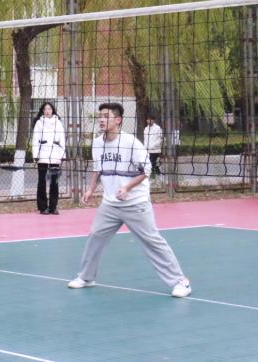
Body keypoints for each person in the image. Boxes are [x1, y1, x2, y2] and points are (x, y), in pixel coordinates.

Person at [68, 102, 192, 298]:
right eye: (100, 116)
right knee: (95, 236)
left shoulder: (131, 143)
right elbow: (98, 169)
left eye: (106, 116)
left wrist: (127, 187)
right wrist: (90, 190)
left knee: (152, 241)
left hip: (135, 203)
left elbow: (146, 171)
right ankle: (86, 277)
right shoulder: (98, 143)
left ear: (118, 120)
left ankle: (180, 282)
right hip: (110, 204)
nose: (101, 119)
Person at [31, 102, 65, 215]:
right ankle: (43, 207)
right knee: (42, 182)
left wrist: (62, 156)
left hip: (55, 156)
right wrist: (35, 155)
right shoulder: (39, 123)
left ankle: (53, 207)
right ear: (42, 111)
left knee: (54, 182)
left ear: (52, 110)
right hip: (43, 156)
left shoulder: (58, 123)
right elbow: (35, 140)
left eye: (49, 109)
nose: (47, 111)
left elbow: (62, 140)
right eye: (45, 109)